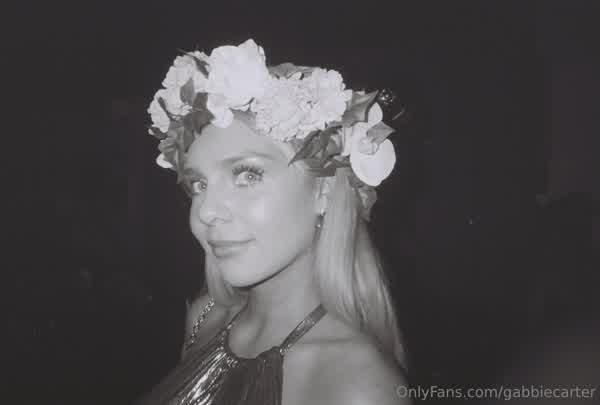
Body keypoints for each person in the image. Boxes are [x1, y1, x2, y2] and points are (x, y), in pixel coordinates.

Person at [136, 38, 410, 405]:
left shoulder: (356, 386)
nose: (205, 211)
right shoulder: (206, 318)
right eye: (198, 184)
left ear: (324, 190)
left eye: (247, 175)